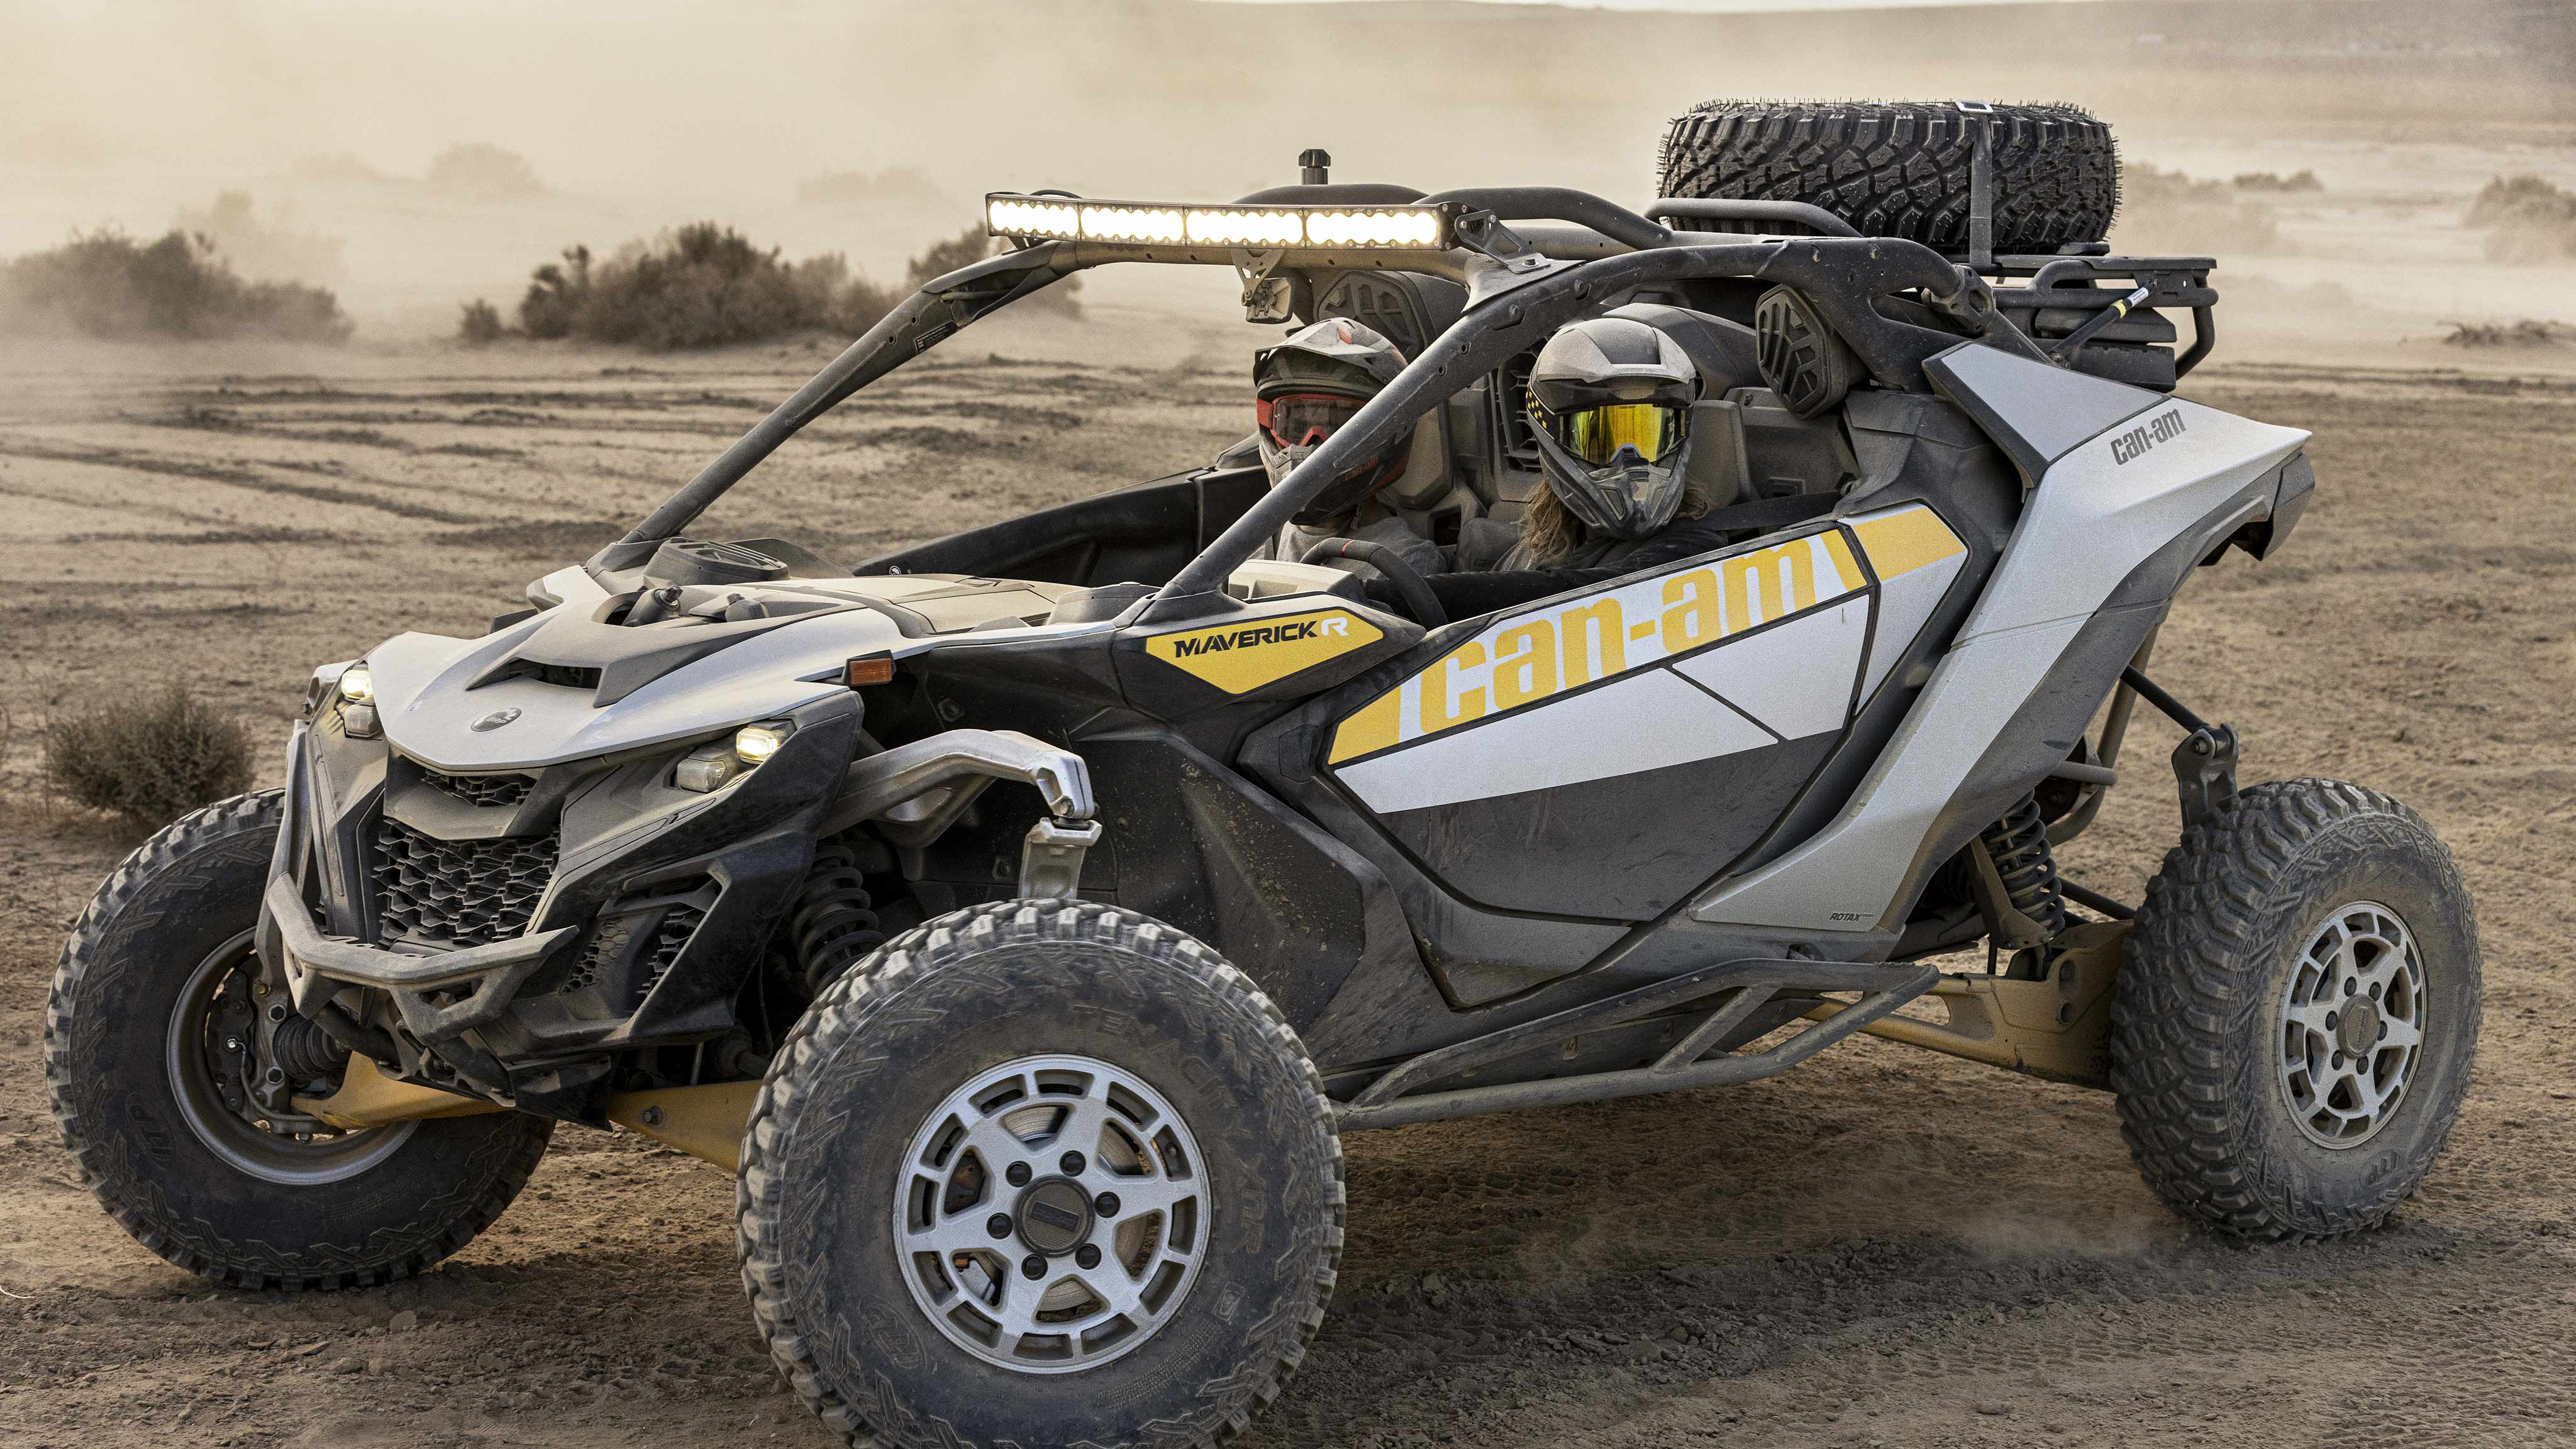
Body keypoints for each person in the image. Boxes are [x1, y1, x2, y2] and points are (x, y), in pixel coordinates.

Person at [1390, 315, 1743, 620]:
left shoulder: (1695, 548)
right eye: (1602, 437)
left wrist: (1390, 595)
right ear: (1552, 436)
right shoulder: (1537, 549)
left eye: (1650, 433)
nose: (1631, 458)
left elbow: (1588, 590)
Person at [1245, 318, 1446, 579]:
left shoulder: (1405, 562)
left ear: (1388, 430)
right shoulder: (1257, 542)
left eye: (1338, 427)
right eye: (1298, 425)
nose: (1311, 445)